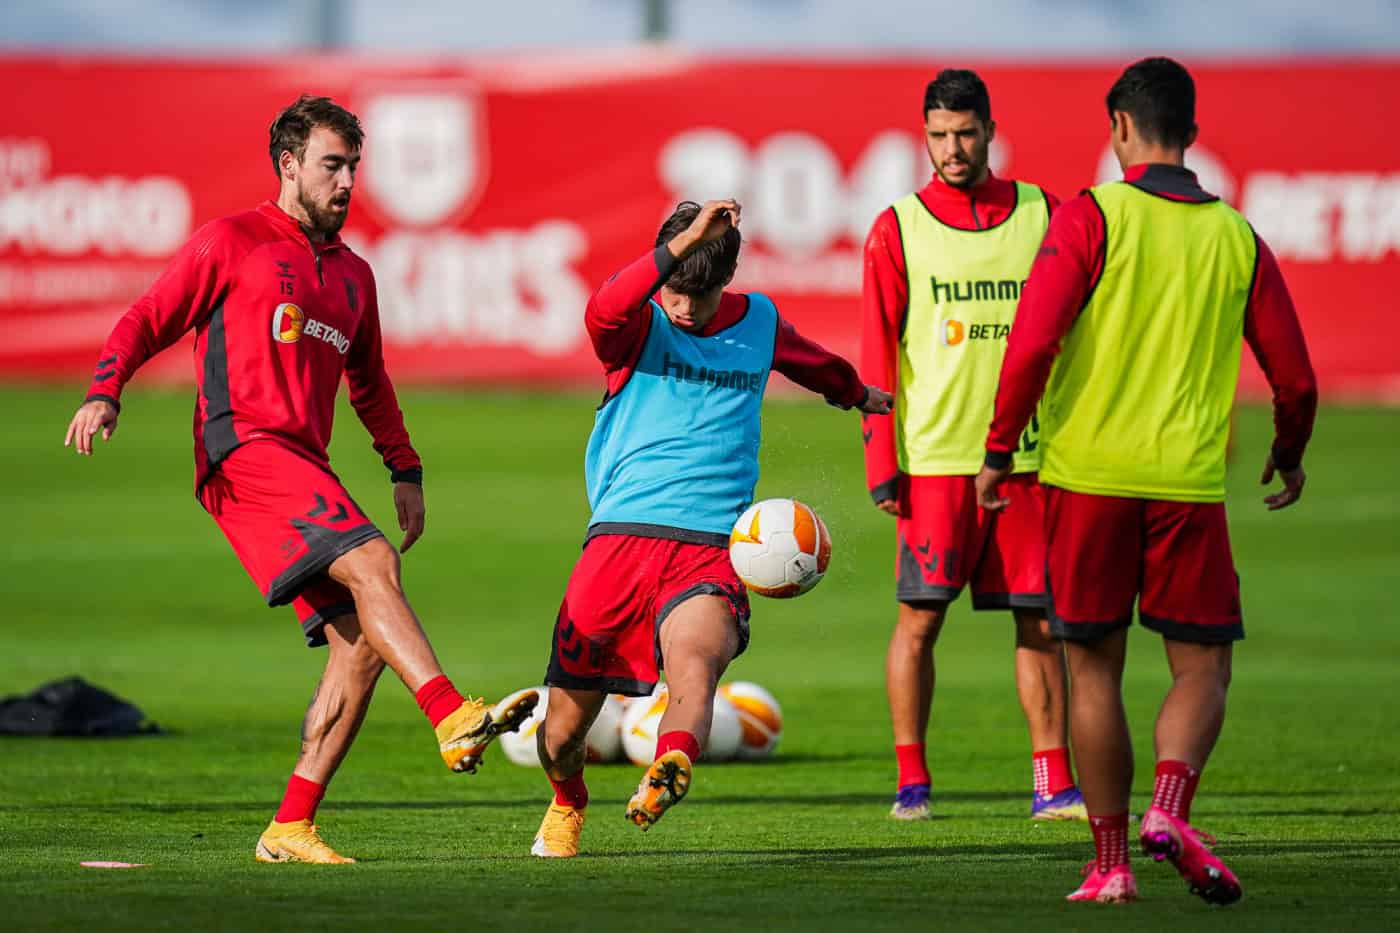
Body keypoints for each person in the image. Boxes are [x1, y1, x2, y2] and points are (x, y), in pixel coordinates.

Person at [62, 95, 537, 865]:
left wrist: (404, 466)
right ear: (289, 165)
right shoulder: (234, 241)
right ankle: (451, 714)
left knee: (360, 640)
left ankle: (290, 823)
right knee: (375, 561)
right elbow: (148, 315)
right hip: (242, 451)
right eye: (332, 165)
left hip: (301, 462)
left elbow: (370, 381)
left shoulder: (353, 276)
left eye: (354, 166)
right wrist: (104, 388)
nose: (348, 181)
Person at [975, 58, 1317, 905]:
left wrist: (996, 447)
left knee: (1092, 672)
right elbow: (1296, 378)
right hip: (1188, 486)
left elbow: (1033, 339)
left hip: (1085, 481)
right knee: (1202, 668)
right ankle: (1172, 806)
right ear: (1191, 134)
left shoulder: (1094, 216)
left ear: (1118, 128)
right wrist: (1290, 447)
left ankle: (1111, 862)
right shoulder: (1237, 235)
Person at [529, 198, 893, 858]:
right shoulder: (636, 328)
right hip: (618, 541)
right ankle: (568, 797)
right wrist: (680, 245)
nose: (686, 308)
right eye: (675, 289)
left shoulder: (759, 321)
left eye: (701, 294)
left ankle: (671, 763)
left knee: (695, 666)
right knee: (559, 734)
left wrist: (856, 392)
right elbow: (603, 306)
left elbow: (813, 362)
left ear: (727, 278)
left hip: (711, 548)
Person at [861, 68, 1085, 822]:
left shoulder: (1040, 212)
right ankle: (912, 781)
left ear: (990, 130)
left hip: (1028, 459)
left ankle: (1053, 781)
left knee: (1040, 620)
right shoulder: (898, 227)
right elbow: (878, 351)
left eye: (964, 133)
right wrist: (880, 459)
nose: (952, 149)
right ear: (923, 136)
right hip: (933, 462)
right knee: (919, 622)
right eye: (938, 136)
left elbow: (1072, 332)